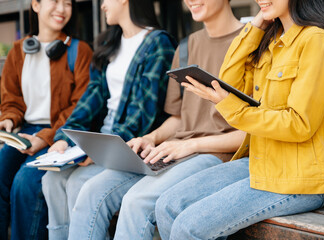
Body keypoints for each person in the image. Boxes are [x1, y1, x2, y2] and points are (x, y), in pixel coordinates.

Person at [154, 0, 324, 239]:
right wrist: (255, 27)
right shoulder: (272, 40)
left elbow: (299, 124)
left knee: (188, 227)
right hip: (261, 162)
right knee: (167, 205)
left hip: (301, 178)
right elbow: (229, 82)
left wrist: (230, 107)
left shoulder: (317, 40)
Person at [64, 0, 247, 239]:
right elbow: (180, 118)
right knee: (90, 190)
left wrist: (189, 145)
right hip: (176, 151)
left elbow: (255, 130)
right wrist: (150, 138)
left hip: (218, 155)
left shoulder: (252, 43)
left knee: (136, 202)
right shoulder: (186, 46)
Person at [41, 0, 176, 239]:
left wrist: (100, 150)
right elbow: (91, 97)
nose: (102, 5)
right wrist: (64, 137)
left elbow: (145, 113)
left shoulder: (158, 44)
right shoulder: (108, 43)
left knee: (77, 184)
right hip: (102, 140)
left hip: (129, 146)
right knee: (51, 179)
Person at [0, 0, 92, 239]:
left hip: (61, 133)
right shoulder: (18, 51)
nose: (61, 9)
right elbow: (12, 99)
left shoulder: (79, 51)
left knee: (25, 183)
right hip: (25, 131)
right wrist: (9, 119)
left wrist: (45, 138)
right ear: (36, 5)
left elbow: (80, 107)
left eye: (68, 3)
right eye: (55, 1)